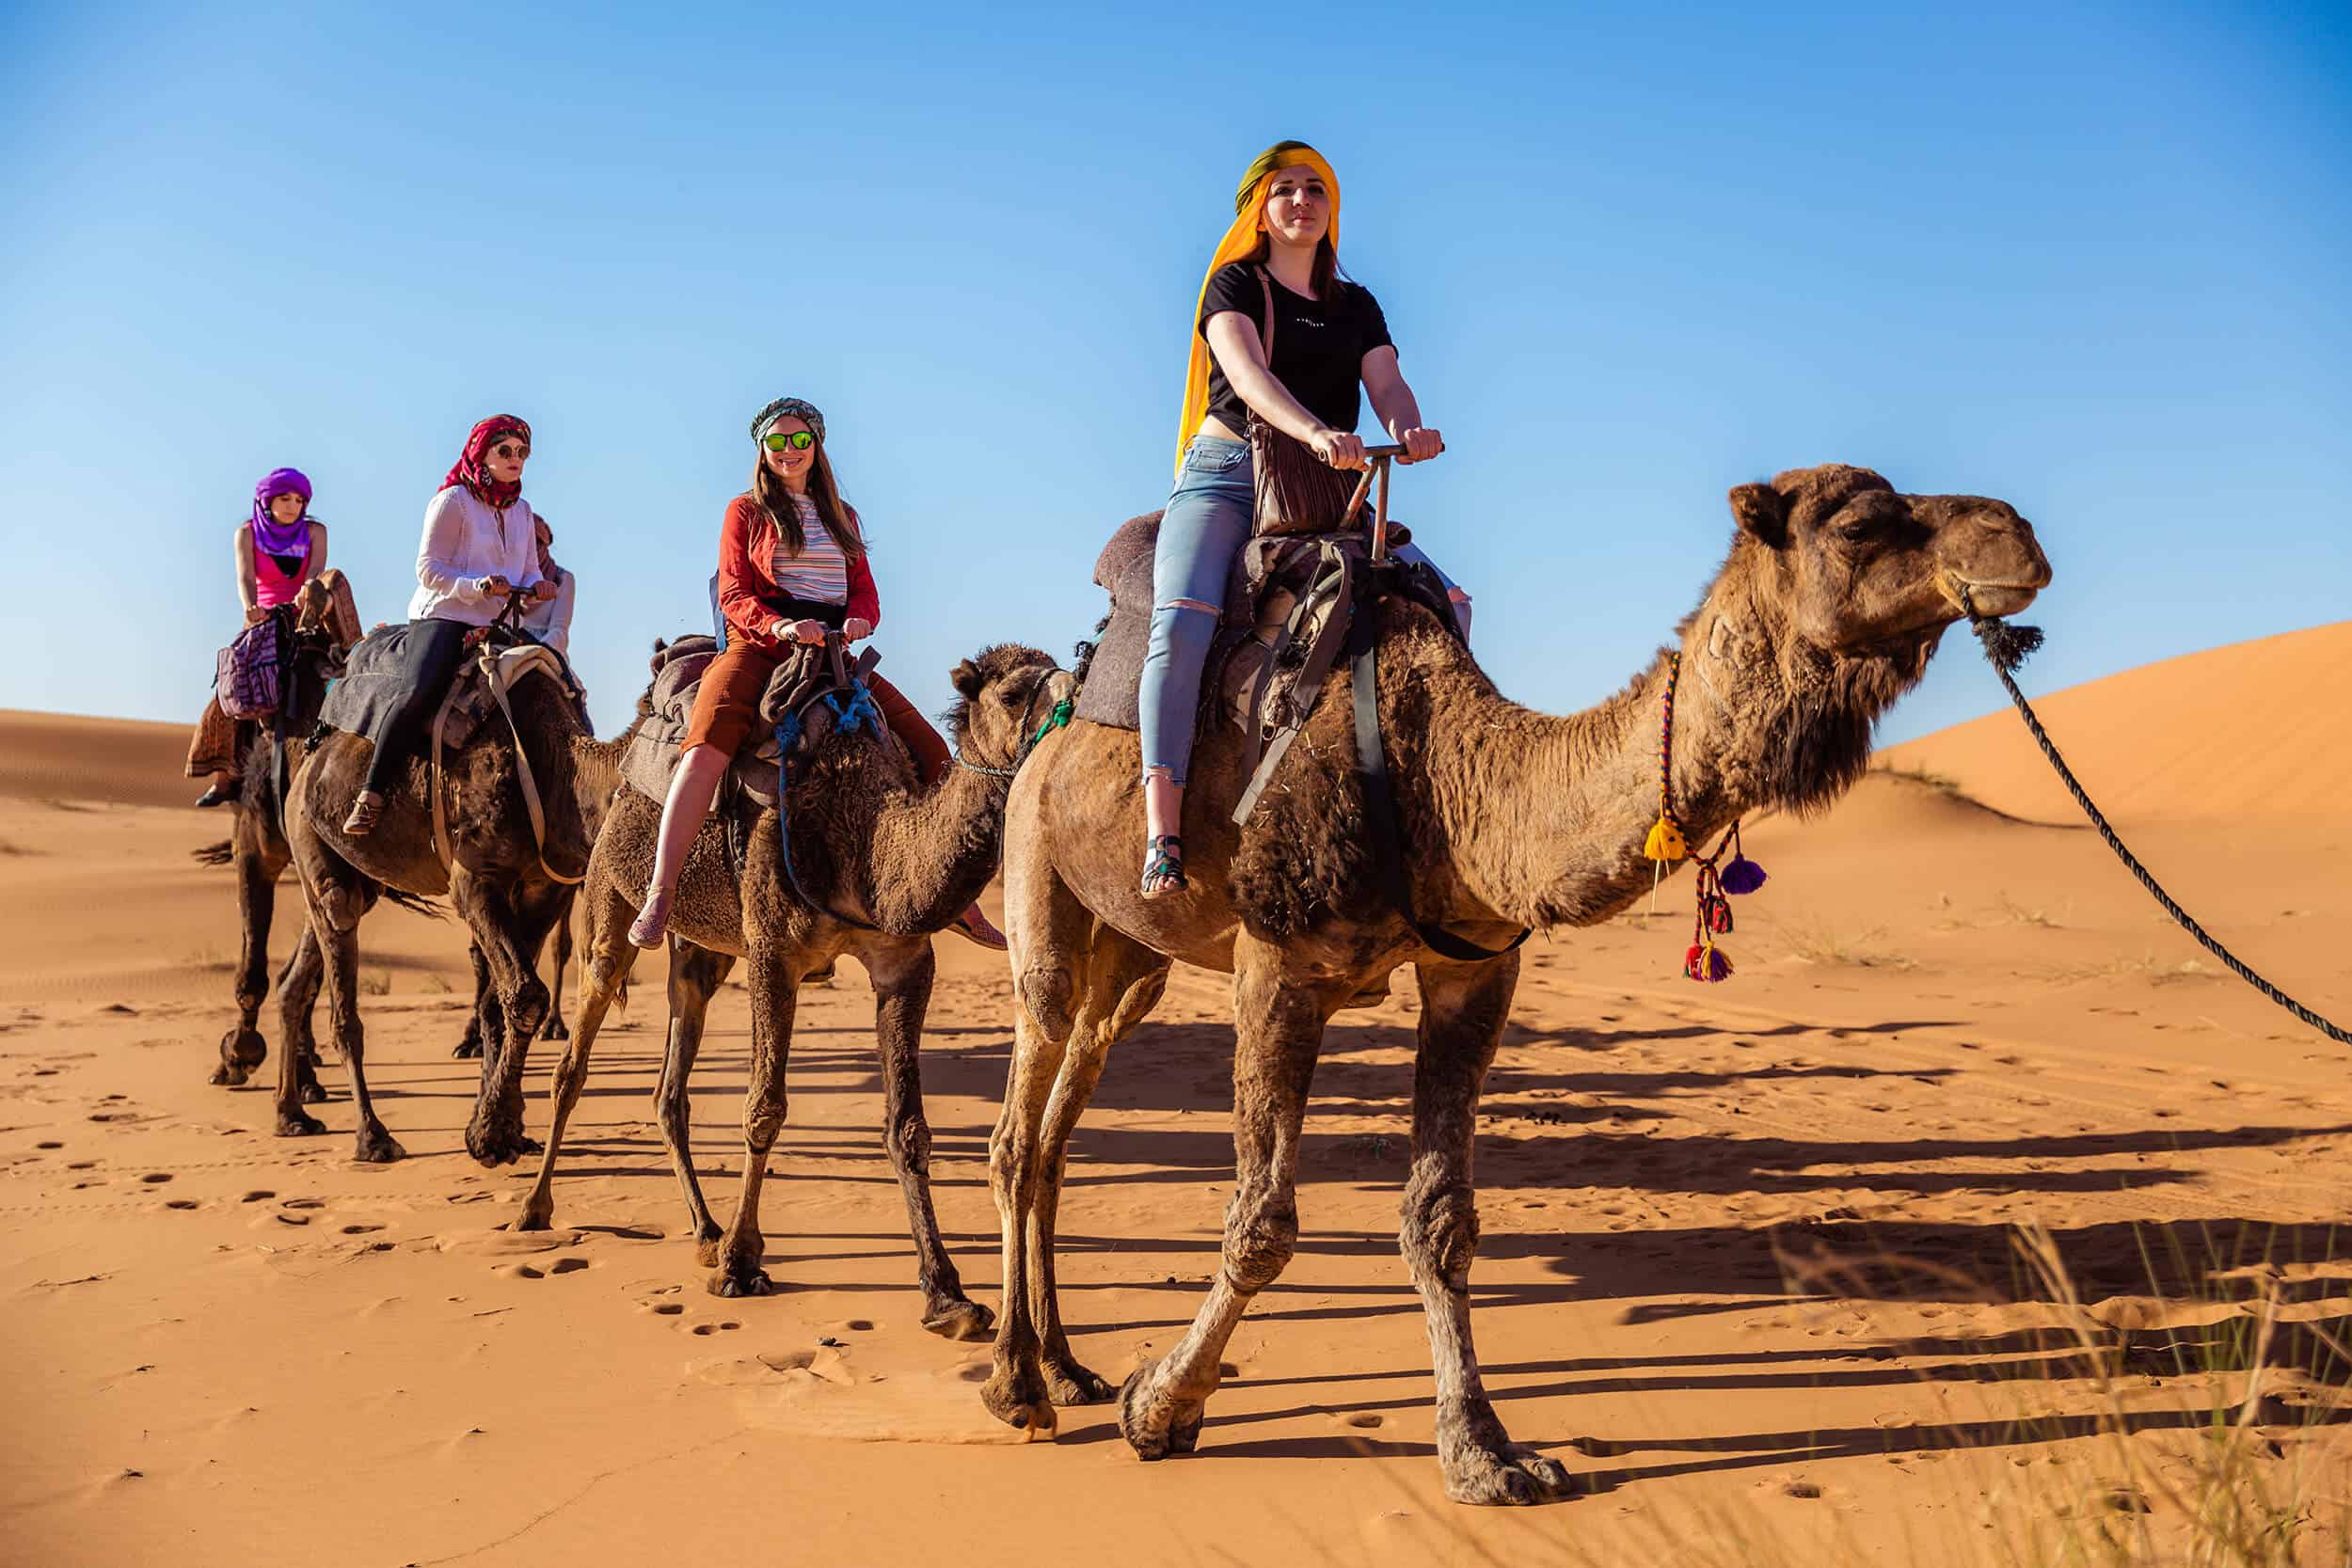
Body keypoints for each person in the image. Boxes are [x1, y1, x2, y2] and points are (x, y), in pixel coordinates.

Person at [1138, 139, 1469, 897]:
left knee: (1447, 600)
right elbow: (1247, 376)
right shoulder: (1233, 285)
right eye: (1284, 189)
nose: (1300, 201)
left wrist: (1411, 426)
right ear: (1262, 207)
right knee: (1181, 620)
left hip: (1327, 489)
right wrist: (1315, 430)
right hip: (1228, 476)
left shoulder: (1357, 305)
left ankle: (1421, 798)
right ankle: (1164, 829)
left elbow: (1387, 383)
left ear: (1332, 208)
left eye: (1314, 189)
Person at [625, 396, 1006, 952]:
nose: (788, 451)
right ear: (762, 449)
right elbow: (732, 591)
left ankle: (959, 902)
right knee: (705, 748)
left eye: (799, 439)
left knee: (933, 751)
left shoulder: (842, 517)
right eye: (776, 441)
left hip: (832, 654)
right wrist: (778, 627)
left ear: (816, 446)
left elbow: (867, 592)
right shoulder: (745, 511)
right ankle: (661, 893)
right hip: (760, 648)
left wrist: (860, 620)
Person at [341, 415, 557, 836]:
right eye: (505, 451)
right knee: (419, 691)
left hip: (499, 621)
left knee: (556, 681)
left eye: (522, 453)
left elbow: (528, 570)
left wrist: (539, 586)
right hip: (445, 614)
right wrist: (475, 587)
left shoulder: (522, 511)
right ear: (483, 453)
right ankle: (372, 793)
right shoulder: (453, 501)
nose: (515, 460)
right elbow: (427, 569)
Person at [187, 468, 329, 806]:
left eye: (299, 500)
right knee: (230, 688)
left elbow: (315, 572)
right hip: (262, 619)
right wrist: (251, 607)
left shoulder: (315, 531)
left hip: (304, 617)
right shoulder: (247, 534)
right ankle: (223, 777)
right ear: (267, 502)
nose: (293, 506)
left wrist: (307, 593)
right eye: (285, 499)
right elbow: (246, 577)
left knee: (345, 669)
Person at [521, 511, 579, 657]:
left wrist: (537, 651)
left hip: (546, 649)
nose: (533, 548)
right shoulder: (508, 575)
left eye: (538, 542)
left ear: (546, 544)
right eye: (527, 542)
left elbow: (559, 630)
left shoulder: (563, 579)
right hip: (506, 644)